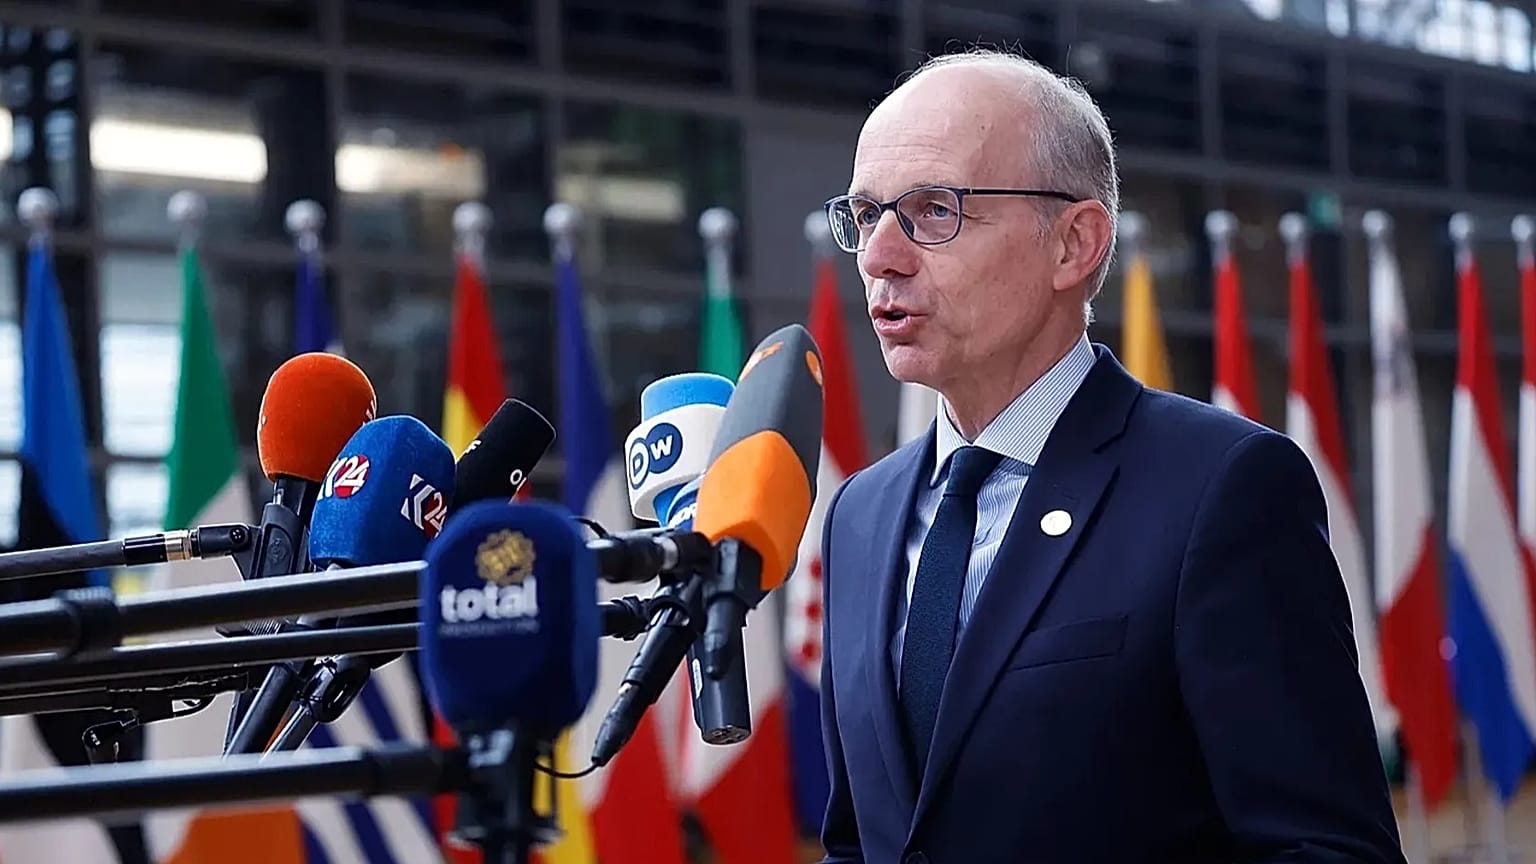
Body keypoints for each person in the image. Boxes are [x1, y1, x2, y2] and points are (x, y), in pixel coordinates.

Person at [815, 49, 1406, 864]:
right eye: (865, 213)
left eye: (932, 210)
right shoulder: (859, 513)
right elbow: (860, 841)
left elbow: (1327, 849)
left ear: (1075, 243)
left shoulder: (1222, 487)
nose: (880, 254)